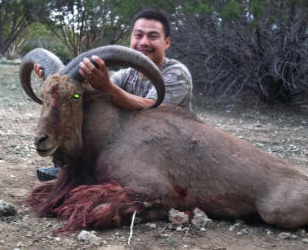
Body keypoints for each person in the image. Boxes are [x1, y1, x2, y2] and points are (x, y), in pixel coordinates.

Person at [34, 9, 193, 181]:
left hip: (171, 151)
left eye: (152, 36)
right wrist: (54, 83)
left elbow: (150, 106)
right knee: (81, 106)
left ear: (167, 42)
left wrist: (107, 86)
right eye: (138, 35)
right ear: (131, 38)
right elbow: (89, 92)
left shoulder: (177, 73)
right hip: (137, 142)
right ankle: (67, 165)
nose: (144, 42)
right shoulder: (127, 74)